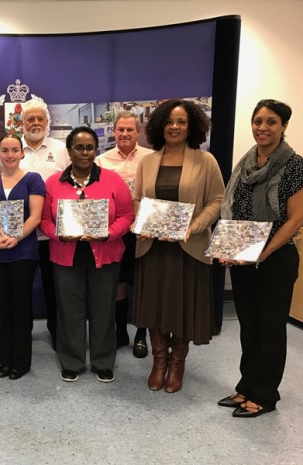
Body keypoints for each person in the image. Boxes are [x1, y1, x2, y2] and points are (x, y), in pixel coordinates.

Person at [132, 99, 224, 393]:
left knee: (183, 308)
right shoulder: (148, 161)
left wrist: (193, 227)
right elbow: (137, 199)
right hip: (154, 248)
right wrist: (143, 223)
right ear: (160, 125)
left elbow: (217, 201)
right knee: (155, 307)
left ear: (191, 126)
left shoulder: (206, 161)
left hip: (188, 248)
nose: (175, 127)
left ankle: (177, 363)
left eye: (181, 122)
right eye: (170, 121)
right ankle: (159, 361)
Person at [217, 99, 303, 417]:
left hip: (275, 259)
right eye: (257, 121)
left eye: (271, 122)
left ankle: (265, 395)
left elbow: (296, 219)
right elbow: (235, 211)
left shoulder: (294, 166)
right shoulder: (246, 164)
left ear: (283, 126)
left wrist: (263, 252)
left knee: (270, 328)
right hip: (244, 259)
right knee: (249, 326)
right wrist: (229, 248)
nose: (262, 128)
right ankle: (247, 386)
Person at [41, 127, 134, 383]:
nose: (84, 153)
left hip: (105, 254)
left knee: (103, 309)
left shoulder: (113, 180)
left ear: (95, 150)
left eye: (89, 147)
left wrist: (108, 233)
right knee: (69, 310)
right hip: (65, 256)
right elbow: (45, 219)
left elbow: (127, 215)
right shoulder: (53, 183)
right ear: (69, 151)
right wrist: (59, 234)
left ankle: (103, 361)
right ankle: (71, 361)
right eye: (79, 148)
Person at [0, 99, 69, 350]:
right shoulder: (11, 150)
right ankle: (21, 337)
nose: (35, 123)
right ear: (21, 123)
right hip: (19, 236)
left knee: (54, 287)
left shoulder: (61, 149)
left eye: (40, 119)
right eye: (30, 119)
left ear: (47, 122)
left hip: (52, 235)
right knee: (19, 290)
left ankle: (57, 333)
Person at [0, 134, 45, 380]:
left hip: (23, 254)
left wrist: (15, 238)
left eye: (14, 150)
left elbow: (35, 217)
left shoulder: (32, 180)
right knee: (2, 308)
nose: (10, 155)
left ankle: (21, 361)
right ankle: (5, 360)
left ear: (22, 153)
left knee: (20, 307)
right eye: (5, 150)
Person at [96, 110, 152, 357]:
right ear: (114, 132)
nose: (125, 133)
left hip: (143, 232)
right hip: (115, 233)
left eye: (130, 129)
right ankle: (120, 332)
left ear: (138, 132)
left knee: (142, 285)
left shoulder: (152, 159)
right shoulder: (102, 161)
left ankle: (141, 336)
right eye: (121, 129)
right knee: (117, 284)